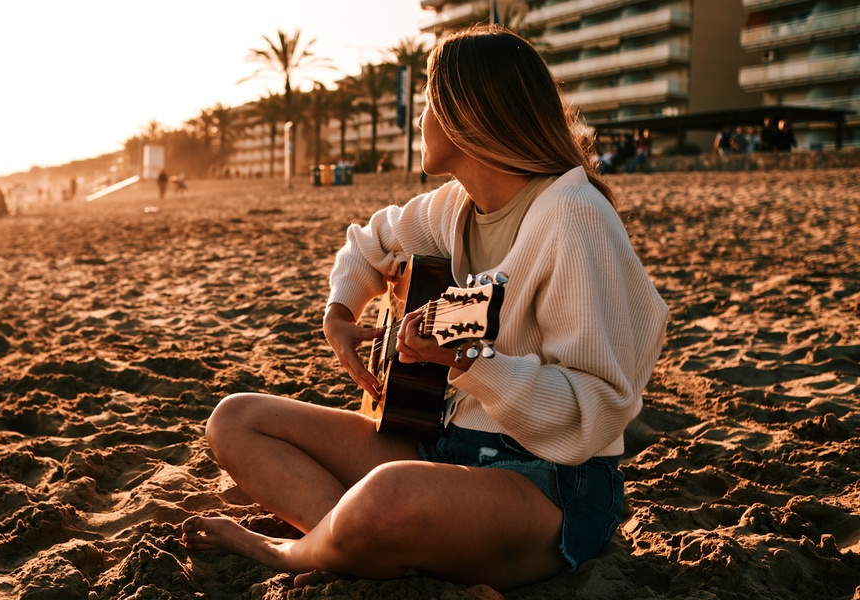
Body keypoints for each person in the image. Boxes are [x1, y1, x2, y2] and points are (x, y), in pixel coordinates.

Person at [180, 25, 668, 592]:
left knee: (387, 495)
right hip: (440, 446)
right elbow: (369, 242)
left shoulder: (573, 217)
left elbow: (597, 409)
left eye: (429, 103)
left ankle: (292, 551)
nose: (419, 120)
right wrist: (339, 312)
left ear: (469, 116)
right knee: (235, 420)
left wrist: (470, 364)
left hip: (548, 486)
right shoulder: (454, 207)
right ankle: (360, 540)